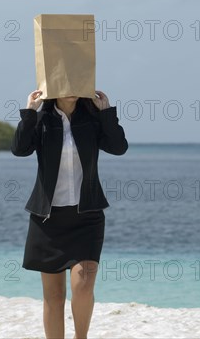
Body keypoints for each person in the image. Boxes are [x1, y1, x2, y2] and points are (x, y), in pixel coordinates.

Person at [11, 89, 128, 339]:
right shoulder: (42, 121)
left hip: (87, 217)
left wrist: (106, 112)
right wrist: (29, 112)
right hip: (47, 220)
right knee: (54, 297)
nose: (71, 86)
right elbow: (19, 149)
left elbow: (119, 147)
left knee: (83, 285)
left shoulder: (92, 120)